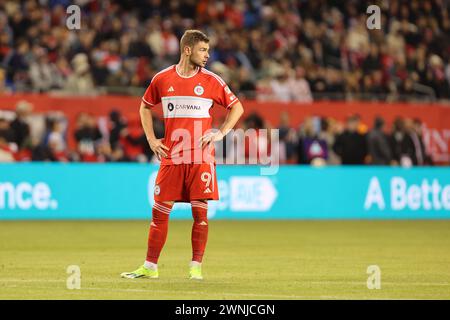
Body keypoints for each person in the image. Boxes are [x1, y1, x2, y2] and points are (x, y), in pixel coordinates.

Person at [121, 30, 244, 280]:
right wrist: (151, 139)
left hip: (201, 158)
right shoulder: (162, 79)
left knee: (200, 214)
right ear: (187, 50)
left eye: (208, 50)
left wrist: (219, 134)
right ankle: (150, 267)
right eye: (203, 50)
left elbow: (237, 107)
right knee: (159, 213)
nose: (207, 55)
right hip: (172, 157)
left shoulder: (212, 81)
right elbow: (145, 106)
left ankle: (195, 267)